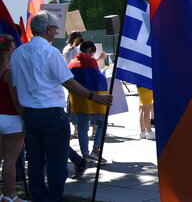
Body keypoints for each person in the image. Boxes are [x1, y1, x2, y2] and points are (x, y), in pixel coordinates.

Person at [9, 11, 113, 201]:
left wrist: (22, 112)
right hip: (51, 113)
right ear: (48, 29)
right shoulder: (50, 52)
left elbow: (14, 86)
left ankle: (40, 197)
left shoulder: (18, 52)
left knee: (35, 161)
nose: (57, 31)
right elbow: (68, 82)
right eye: (56, 28)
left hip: (30, 113)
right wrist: (93, 96)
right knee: (56, 162)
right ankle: (55, 198)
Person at [68, 41, 108, 163]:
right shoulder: (91, 62)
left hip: (78, 99)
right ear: (89, 50)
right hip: (94, 97)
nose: (92, 56)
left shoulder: (71, 63)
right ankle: (96, 150)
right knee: (102, 123)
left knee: (82, 127)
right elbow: (98, 78)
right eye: (92, 53)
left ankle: (84, 154)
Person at [0, 34, 25, 201]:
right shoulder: (8, 73)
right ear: (9, 51)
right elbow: (16, 100)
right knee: (10, 159)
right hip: (12, 119)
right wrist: (26, 116)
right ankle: (11, 195)